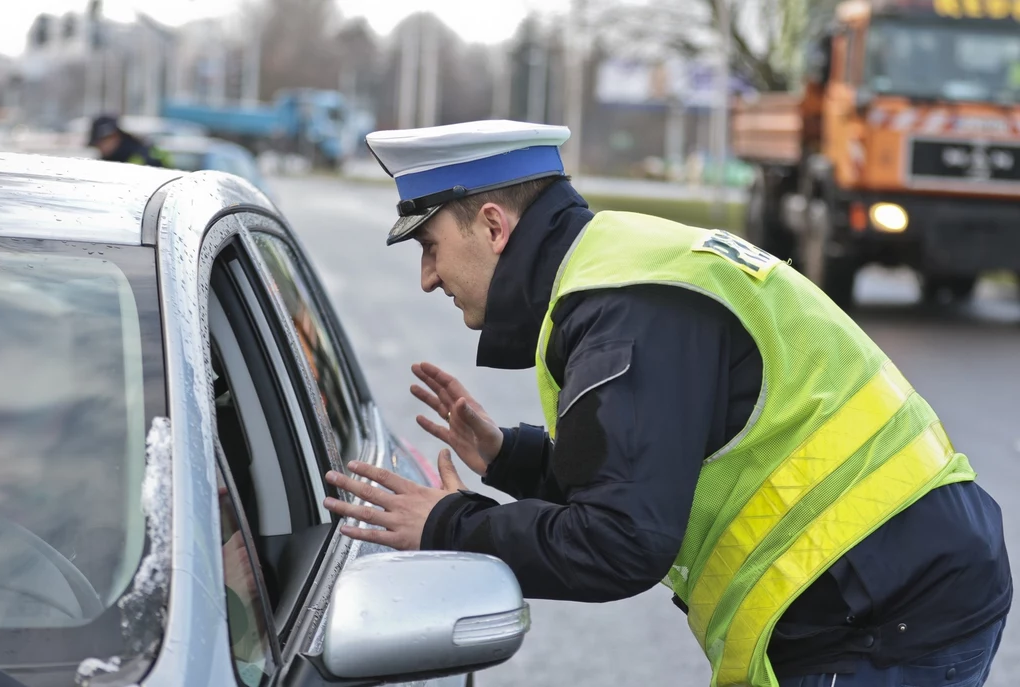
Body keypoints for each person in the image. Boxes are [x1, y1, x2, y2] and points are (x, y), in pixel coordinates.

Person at [320, 120, 1011, 687]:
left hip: (889, 606)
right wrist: (515, 457)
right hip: (891, 580)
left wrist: (450, 525)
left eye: (431, 245)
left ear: (495, 227)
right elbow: (653, 464)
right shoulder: (618, 267)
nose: (427, 276)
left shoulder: (625, 310)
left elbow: (623, 542)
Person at [87, 114, 172, 168]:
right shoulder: (108, 160)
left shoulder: (143, 158)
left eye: (103, 141)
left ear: (115, 136)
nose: (101, 147)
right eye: (97, 143)